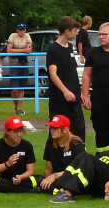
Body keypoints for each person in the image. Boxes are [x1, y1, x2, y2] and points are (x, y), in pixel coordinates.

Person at [46, 16, 84, 141]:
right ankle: (53, 159)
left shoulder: (70, 48)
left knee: (78, 129)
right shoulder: (53, 49)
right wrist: (65, 91)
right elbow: (53, 74)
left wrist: (80, 93)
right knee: (58, 131)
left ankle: (79, 158)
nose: (77, 33)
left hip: (74, 98)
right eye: (75, 31)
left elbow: (71, 72)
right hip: (60, 100)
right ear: (67, 31)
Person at [0, 116, 39, 193]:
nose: (19, 135)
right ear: (7, 132)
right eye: (15, 132)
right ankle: (25, 191)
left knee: (40, 179)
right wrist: (7, 164)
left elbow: (31, 170)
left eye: (21, 131)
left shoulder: (27, 145)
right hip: (3, 179)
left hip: (21, 179)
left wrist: (20, 177)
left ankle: (4, 189)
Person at [39, 114, 86, 195]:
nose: (51, 130)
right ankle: (61, 191)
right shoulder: (50, 142)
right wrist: (47, 181)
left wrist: (54, 176)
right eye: (51, 127)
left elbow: (79, 169)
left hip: (73, 177)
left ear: (65, 130)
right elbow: (48, 167)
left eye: (55, 128)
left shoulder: (76, 144)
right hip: (58, 179)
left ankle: (65, 191)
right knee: (42, 184)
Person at [81, 22, 109, 155]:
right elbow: (87, 75)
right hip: (99, 97)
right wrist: (85, 96)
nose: (101, 37)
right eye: (100, 34)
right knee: (100, 128)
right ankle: (101, 157)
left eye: (105, 34)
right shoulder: (93, 53)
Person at [6, 22, 33, 116]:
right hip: (14, 63)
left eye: (23, 30)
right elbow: (9, 50)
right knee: (14, 89)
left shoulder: (27, 36)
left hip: (24, 63)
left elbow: (29, 48)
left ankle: (19, 108)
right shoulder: (12, 36)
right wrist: (23, 50)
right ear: (17, 30)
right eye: (20, 29)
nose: (21, 31)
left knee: (22, 87)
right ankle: (17, 106)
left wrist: (19, 50)